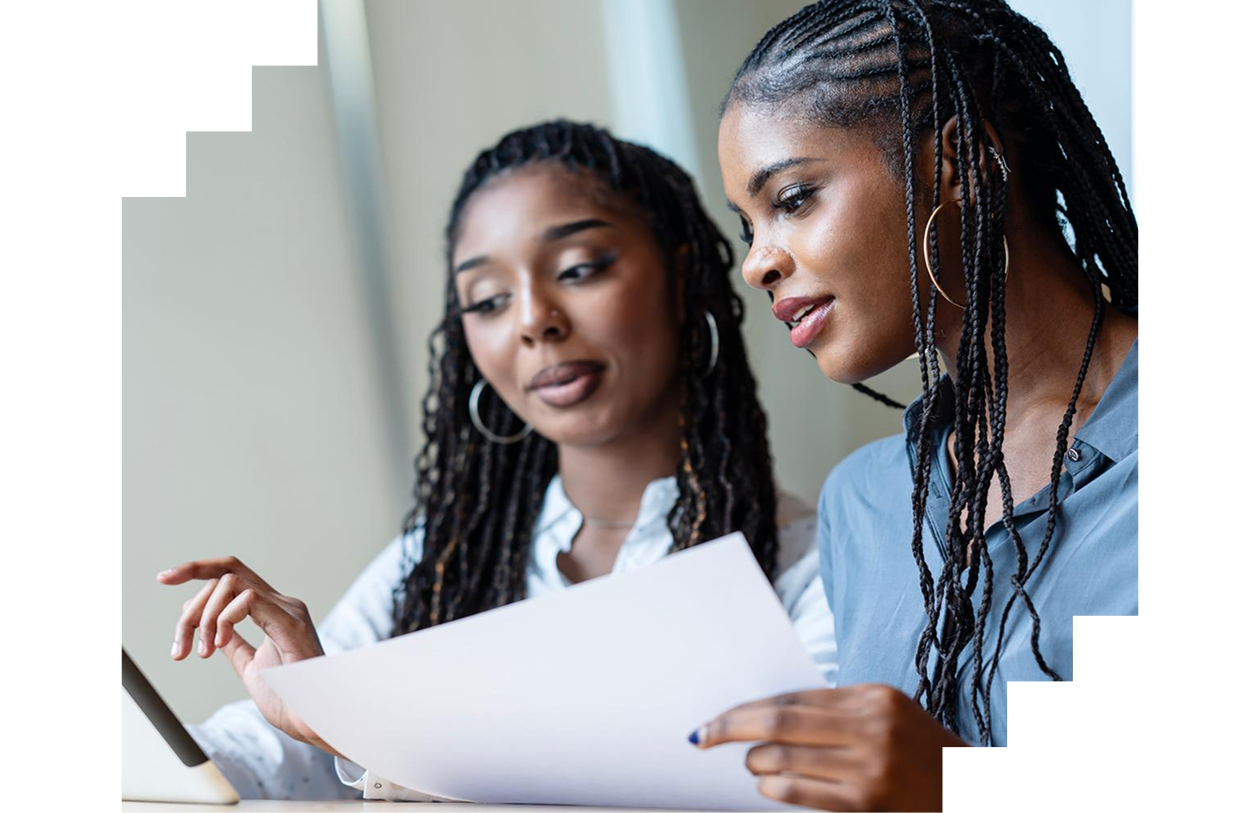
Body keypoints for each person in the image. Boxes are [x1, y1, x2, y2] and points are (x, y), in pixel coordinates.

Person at [158, 120, 839, 800]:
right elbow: (258, 752)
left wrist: (359, 734)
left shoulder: (812, 565)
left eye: (578, 270)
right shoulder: (443, 560)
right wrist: (310, 704)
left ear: (682, 275)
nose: (532, 319)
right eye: (487, 300)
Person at [696, 2, 1139, 810]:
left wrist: (977, 791)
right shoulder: (863, 505)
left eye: (792, 199)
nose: (759, 262)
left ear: (959, 161)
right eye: (747, 225)